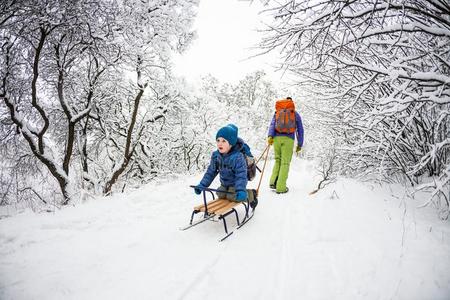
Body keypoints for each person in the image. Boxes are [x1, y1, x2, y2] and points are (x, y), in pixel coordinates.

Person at [194, 124, 257, 207]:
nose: (220, 144)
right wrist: (202, 185)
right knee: (220, 193)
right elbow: (211, 172)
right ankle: (231, 192)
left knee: (232, 196)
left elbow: (241, 175)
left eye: (224, 141)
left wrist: (241, 190)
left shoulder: (238, 157)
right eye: (218, 140)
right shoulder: (216, 156)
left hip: (236, 185)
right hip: (224, 184)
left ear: (231, 144)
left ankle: (251, 194)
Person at [267, 97, 304, 194]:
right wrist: (300, 144)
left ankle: (273, 182)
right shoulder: (295, 114)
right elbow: (300, 129)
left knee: (277, 160)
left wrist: (270, 136)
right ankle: (281, 187)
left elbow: (272, 124)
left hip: (276, 139)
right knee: (285, 163)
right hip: (288, 140)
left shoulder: (277, 112)